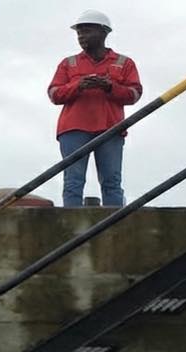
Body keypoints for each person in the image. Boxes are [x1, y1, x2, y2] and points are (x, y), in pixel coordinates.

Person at [47, 10, 143, 207]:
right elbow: (54, 94)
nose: (81, 36)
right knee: (73, 182)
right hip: (73, 129)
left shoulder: (124, 63)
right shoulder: (68, 63)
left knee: (111, 182)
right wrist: (79, 85)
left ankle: (114, 221)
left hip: (110, 128)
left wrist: (109, 87)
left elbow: (134, 94)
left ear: (103, 32)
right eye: (79, 33)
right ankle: (71, 222)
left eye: (87, 31)